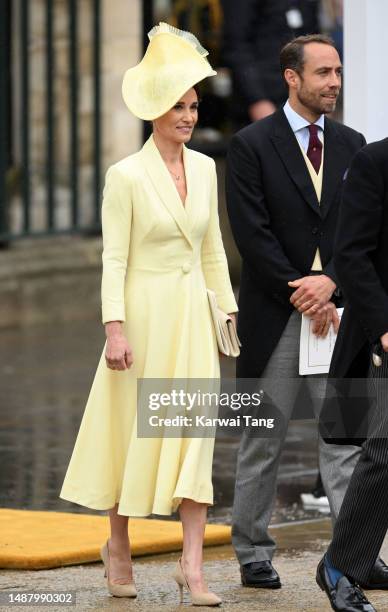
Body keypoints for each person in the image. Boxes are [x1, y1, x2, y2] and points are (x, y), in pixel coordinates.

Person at [60, 22, 237, 606]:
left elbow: (211, 249)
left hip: (192, 319)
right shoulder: (126, 175)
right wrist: (114, 328)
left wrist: (226, 317)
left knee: (195, 437)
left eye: (194, 105)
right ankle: (119, 547)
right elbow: (113, 258)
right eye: (178, 105)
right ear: (156, 108)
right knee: (128, 433)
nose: (188, 116)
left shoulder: (209, 169)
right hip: (141, 316)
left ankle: (194, 569)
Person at [225, 34, 366, 589]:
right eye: (323, 72)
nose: (333, 82)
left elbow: (364, 232)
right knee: (263, 438)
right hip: (276, 313)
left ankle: (354, 552)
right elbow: (250, 235)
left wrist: (332, 283)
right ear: (292, 77)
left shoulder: (354, 144)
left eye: (337, 72)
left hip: (340, 312)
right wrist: (303, 289)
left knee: (346, 439)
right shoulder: (251, 145)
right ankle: (253, 550)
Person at [317, 140, 388, 612]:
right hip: (385, 334)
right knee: (384, 453)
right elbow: (352, 255)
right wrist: (384, 327)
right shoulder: (374, 162)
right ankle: (340, 567)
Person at [221, 0, 320, 127]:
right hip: (263, 99)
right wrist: (257, 99)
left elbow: (314, 38)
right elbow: (236, 46)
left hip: (302, 98)